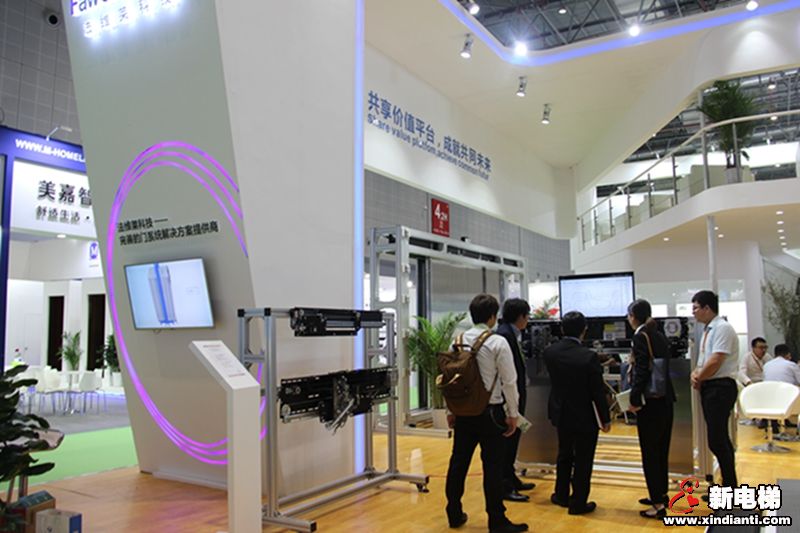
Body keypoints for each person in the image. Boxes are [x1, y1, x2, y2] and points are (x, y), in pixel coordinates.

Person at [444, 294, 528, 533]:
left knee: (458, 462)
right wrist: (513, 413)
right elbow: (510, 381)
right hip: (491, 413)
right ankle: (497, 520)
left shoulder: (457, 341)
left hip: (463, 413)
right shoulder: (497, 342)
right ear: (492, 316)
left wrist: (451, 410)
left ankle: (454, 512)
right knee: (492, 467)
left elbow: (450, 380)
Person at [544, 310, 610, 515]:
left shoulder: (550, 352)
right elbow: (597, 392)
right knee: (583, 458)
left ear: (562, 329)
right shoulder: (589, 357)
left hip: (560, 412)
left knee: (564, 454)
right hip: (585, 415)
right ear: (584, 330)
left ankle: (561, 494)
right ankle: (578, 502)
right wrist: (605, 418)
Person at [626, 299, 675, 519]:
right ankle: (661, 493)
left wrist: (634, 397)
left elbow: (642, 369)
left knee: (650, 452)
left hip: (650, 401)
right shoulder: (658, 334)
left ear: (633, 316)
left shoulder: (640, 336)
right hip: (665, 399)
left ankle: (657, 504)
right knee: (661, 450)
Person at [690, 290, 739, 489]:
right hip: (711, 387)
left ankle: (729, 487)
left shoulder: (722, 328)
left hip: (720, 388)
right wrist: (696, 373)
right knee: (719, 439)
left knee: (717, 441)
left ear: (707, 308)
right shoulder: (709, 330)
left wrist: (700, 376)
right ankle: (728, 484)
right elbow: (704, 360)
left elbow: (716, 359)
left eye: (696, 308)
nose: (693, 312)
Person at [496, 298, 535, 502]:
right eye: (527, 316)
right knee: (507, 443)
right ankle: (505, 485)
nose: (528, 320)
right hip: (508, 398)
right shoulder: (504, 336)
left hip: (515, 395)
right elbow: (507, 374)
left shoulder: (511, 333)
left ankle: (510, 477)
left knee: (513, 440)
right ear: (520, 316)